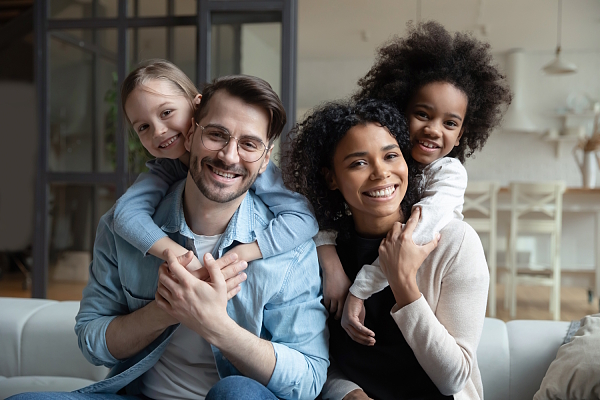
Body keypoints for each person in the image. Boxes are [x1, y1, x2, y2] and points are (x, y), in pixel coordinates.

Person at [10, 75, 329, 400]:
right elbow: (93, 344)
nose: (229, 156)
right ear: (190, 135)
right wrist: (165, 310)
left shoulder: (288, 247)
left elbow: (308, 380)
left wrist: (215, 325)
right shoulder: (127, 226)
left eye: (249, 144)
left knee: (237, 393)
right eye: (217, 135)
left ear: (264, 160)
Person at [283, 98, 489, 399]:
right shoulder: (321, 255)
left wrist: (404, 284)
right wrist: (348, 394)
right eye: (358, 163)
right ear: (331, 178)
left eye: (391, 156)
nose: (381, 173)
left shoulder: (454, 244)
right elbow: (314, 360)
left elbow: (454, 378)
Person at [315, 21, 511, 337]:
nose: (434, 129)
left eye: (450, 123)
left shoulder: (447, 175)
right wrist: (331, 263)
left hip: (423, 280)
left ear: (462, 134)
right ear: (400, 110)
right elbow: (320, 207)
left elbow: (412, 239)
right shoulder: (385, 165)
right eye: (423, 114)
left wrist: (358, 289)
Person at [114, 59, 318, 273]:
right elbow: (125, 215)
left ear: (197, 105)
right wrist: (181, 257)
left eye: (166, 113)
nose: (158, 131)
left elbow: (303, 217)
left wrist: (243, 253)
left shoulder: (246, 164)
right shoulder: (164, 169)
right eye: (143, 127)